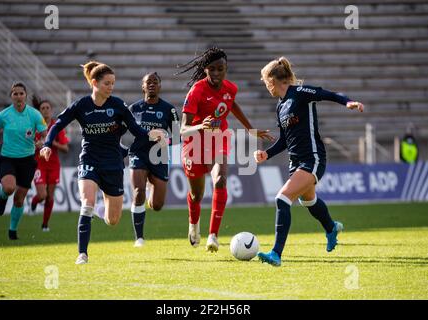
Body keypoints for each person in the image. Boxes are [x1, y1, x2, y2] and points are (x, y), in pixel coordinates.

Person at [40, 61, 165, 264]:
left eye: (113, 83)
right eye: (107, 83)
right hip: (89, 159)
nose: (111, 87)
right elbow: (58, 124)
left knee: (112, 220)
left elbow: (136, 130)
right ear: (94, 83)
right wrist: (47, 144)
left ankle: (102, 210)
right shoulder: (82, 105)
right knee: (87, 203)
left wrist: (151, 135)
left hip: (113, 164)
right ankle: (82, 253)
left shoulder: (118, 105)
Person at [254, 56, 364, 266]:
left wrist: (347, 101)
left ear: (273, 80)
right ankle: (331, 227)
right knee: (308, 201)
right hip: (295, 162)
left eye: (265, 81)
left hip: (312, 158)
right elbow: (285, 140)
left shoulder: (300, 93)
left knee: (282, 198)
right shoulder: (281, 106)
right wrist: (266, 154)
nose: (266, 86)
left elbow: (327, 94)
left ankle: (276, 254)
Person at [176, 47, 274, 252]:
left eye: (220, 69)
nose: (216, 73)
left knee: (220, 179)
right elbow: (183, 129)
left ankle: (213, 235)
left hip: (218, 139)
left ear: (226, 68)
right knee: (197, 195)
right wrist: (200, 126)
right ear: (205, 70)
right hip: (194, 143)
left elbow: (232, 105)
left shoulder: (230, 88)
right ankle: (194, 224)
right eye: (212, 69)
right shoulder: (197, 91)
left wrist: (251, 129)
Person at [124, 72, 180, 247]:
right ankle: (139, 238)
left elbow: (178, 137)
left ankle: (151, 193)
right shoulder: (133, 109)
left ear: (160, 86)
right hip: (138, 154)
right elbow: (119, 130)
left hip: (160, 156)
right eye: (148, 82)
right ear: (143, 86)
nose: (151, 85)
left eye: (155, 82)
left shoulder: (169, 109)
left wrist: (165, 140)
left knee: (157, 205)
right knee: (138, 192)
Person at [0, 82, 47, 240]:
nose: (18, 96)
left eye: (21, 93)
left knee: (19, 198)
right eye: (15, 94)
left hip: (27, 160)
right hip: (8, 158)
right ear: (11, 96)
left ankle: (12, 230)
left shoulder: (34, 114)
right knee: (9, 188)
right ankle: (2, 196)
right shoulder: (4, 115)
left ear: (26, 96)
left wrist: (42, 142)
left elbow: (44, 133)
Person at [31, 96, 70, 232]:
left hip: (53, 165)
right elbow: (27, 144)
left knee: (50, 196)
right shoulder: (34, 126)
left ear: (51, 110)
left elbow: (66, 148)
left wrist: (50, 143)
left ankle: (45, 224)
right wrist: (36, 146)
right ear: (39, 111)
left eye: (48, 108)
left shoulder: (56, 127)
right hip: (39, 164)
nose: (46, 110)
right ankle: (34, 202)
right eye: (43, 108)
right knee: (42, 195)